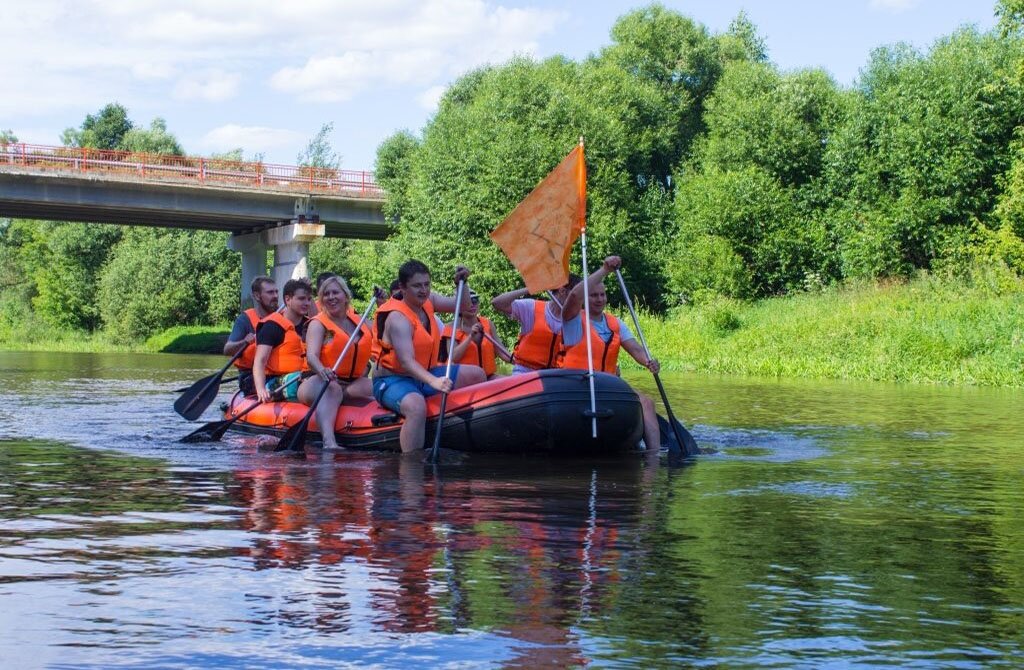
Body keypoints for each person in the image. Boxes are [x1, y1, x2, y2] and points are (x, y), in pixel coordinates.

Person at [372, 260, 487, 453]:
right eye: (417, 285)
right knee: (416, 407)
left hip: (424, 374)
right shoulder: (397, 318)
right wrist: (435, 382)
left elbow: (464, 304)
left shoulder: (429, 301)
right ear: (402, 287)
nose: (423, 290)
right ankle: (411, 466)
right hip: (393, 379)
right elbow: (406, 362)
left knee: (477, 374)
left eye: (426, 284)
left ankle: (463, 432)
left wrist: (462, 283)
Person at [559, 256, 661, 451]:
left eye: (602, 295)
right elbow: (573, 297)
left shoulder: (615, 323)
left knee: (646, 401)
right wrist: (604, 270)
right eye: (593, 295)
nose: (599, 300)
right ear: (585, 298)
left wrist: (648, 361)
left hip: (607, 385)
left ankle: (653, 456)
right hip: (578, 384)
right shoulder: (572, 318)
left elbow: (636, 349)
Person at [297, 275, 375, 450]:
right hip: (317, 381)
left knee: (377, 387)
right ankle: (329, 442)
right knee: (332, 387)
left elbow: (383, 331)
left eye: (335, 293)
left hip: (349, 382)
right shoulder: (318, 324)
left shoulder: (359, 322)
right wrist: (322, 370)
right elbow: (311, 357)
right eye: (326, 294)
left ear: (345, 296)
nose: (331, 297)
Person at [491, 274, 581, 375]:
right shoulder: (531, 308)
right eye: (576, 295)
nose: (579, 300)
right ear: (562, 291)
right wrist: (531, 288)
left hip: (554, 375)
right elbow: (497, 303)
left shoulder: (577, 319)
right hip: (525, 372)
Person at [252, 278, 313, 405]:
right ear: (288, 300)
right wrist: (260, 389)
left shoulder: (311, 326)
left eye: (308, 299)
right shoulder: (272, 326)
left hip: (305, 376)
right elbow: (260, 361)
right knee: (310, 380)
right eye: (301, 299)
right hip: (274, 382)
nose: (306, 303)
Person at [224, 276, 278, 396]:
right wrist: (244, 342)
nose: (275, 296)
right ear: (257, 296)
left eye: (276, 292)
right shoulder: (245, 320)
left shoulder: (282, 317)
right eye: (270, 292)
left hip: (278, 373)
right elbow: (227, 349)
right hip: (250, 376)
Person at [441, 289, 512, 380]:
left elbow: (502, 353)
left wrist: (520, 362)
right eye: (468, 302)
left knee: (511, 382)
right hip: (466, 380)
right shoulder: (451, 328)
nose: (472, 305)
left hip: (488, 376)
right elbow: (453, 357)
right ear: (459, 307)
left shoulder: (488, 324)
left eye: (475, 301)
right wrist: (470, 337)